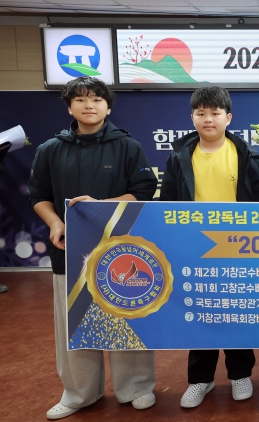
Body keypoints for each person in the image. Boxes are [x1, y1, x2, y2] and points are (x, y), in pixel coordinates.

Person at [160, 86, 259, 408]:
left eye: (215, 113)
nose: (208, 119)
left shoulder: (246, 154)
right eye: (201, 113)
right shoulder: (179, 157)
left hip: (237, 249)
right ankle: (200, 379)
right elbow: (166, 203)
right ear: (192, 117)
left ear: (228, 118)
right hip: (194, 249)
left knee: (238, 313)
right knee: (199, 314)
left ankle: (241, 375)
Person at [27, 76, 157, 419]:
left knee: (126, 316)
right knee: (75, 321)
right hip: (69, 251)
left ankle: (137, 386)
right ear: (69, 107)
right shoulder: (50, 149)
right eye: (81, 100)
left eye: (97, 99)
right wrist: (54, 222)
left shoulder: (128, 147)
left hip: (122, 248)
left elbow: (143, 190)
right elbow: (38, 195)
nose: (89, 105)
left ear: (108, 107)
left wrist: (102, 206)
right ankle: (79, 392)